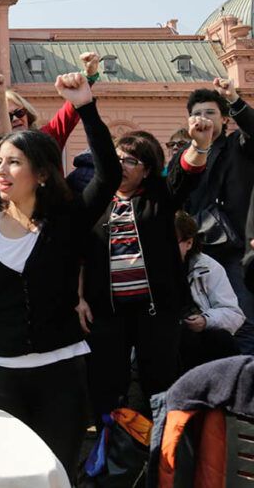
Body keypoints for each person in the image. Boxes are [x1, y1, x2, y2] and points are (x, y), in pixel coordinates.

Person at [0, 72, 121, 478]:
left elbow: (109, 177)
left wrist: (85, 106)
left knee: (54, 473)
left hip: (60, 374)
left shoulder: (67, 223)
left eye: (14, 162)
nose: (2, 171)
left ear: (42, 173)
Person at [80, 123, 208, 425]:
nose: (121, 165)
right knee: (106, 388)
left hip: (156, 313)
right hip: (107, 314)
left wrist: (199, 144)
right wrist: (79, 297)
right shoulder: (96, 200)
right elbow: (79, 255)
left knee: (160, 386)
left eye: (130, 161)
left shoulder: (158, 200)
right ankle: (110, 455)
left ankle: (163, 454)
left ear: (147, 171)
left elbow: (184, 176)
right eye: (117, 158)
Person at [173, 79, 254, 353]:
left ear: (225, 118)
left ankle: (244, 384)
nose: (202, 118)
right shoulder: (183, 156)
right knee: (195, 321)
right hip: (193, 249)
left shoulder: (239, 147)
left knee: (242, 318)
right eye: (196, 113)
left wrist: (234, 98)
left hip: (234, 249)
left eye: (210, 112)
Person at [0, 52, 100, 149]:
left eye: (19, 113)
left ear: (27, 115)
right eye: (8, 117)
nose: (15, 119)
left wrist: (88, 76)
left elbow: (69, 111)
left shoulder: (46, 139)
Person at [175, 211, 243, 371]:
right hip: (163, 339)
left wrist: (206, 321)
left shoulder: (207, 267)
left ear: (189, 243)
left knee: (221, 340)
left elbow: (233, 314)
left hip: (197, 337)